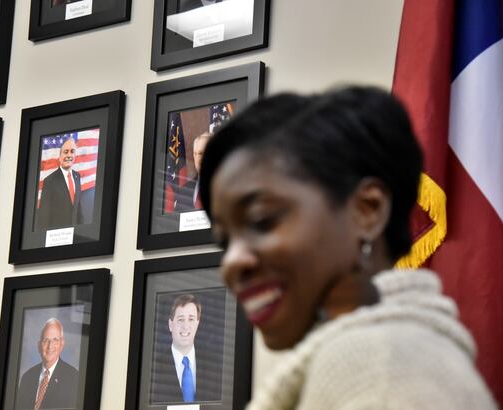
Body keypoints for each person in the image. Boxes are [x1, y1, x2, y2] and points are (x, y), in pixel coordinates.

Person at [198, 87, 498, 409]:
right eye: (225, 241)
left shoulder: (379, 368)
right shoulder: (397, 356)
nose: (231, 263)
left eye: (262, 220)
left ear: (367, 210)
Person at [150, 294, 222, 404]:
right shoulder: (153, 368)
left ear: (197, 324)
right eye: (180, 319)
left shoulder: (214, 366)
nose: (186, 326)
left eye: (191, 319)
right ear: (170, 324)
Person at [16, 318, 79, 410]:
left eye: (55, 340)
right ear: (39, 346)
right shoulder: (27, 377)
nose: (50, 346)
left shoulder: (73, 378)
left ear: (62, 344)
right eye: (46, 340)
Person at [37, 138, 83, 230]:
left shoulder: (77, 176)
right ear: (60, 156)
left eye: (72, 151)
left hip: (75, 234)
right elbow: (44, 218)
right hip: (58, 237)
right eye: (65, 152)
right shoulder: (49, 181)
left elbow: (78, 208)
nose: (69, 155)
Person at [175, 132, 212, 212]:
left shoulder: (226, 188)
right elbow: (176, 221)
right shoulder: (183, 191)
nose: (201, 158)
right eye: (198, 154)